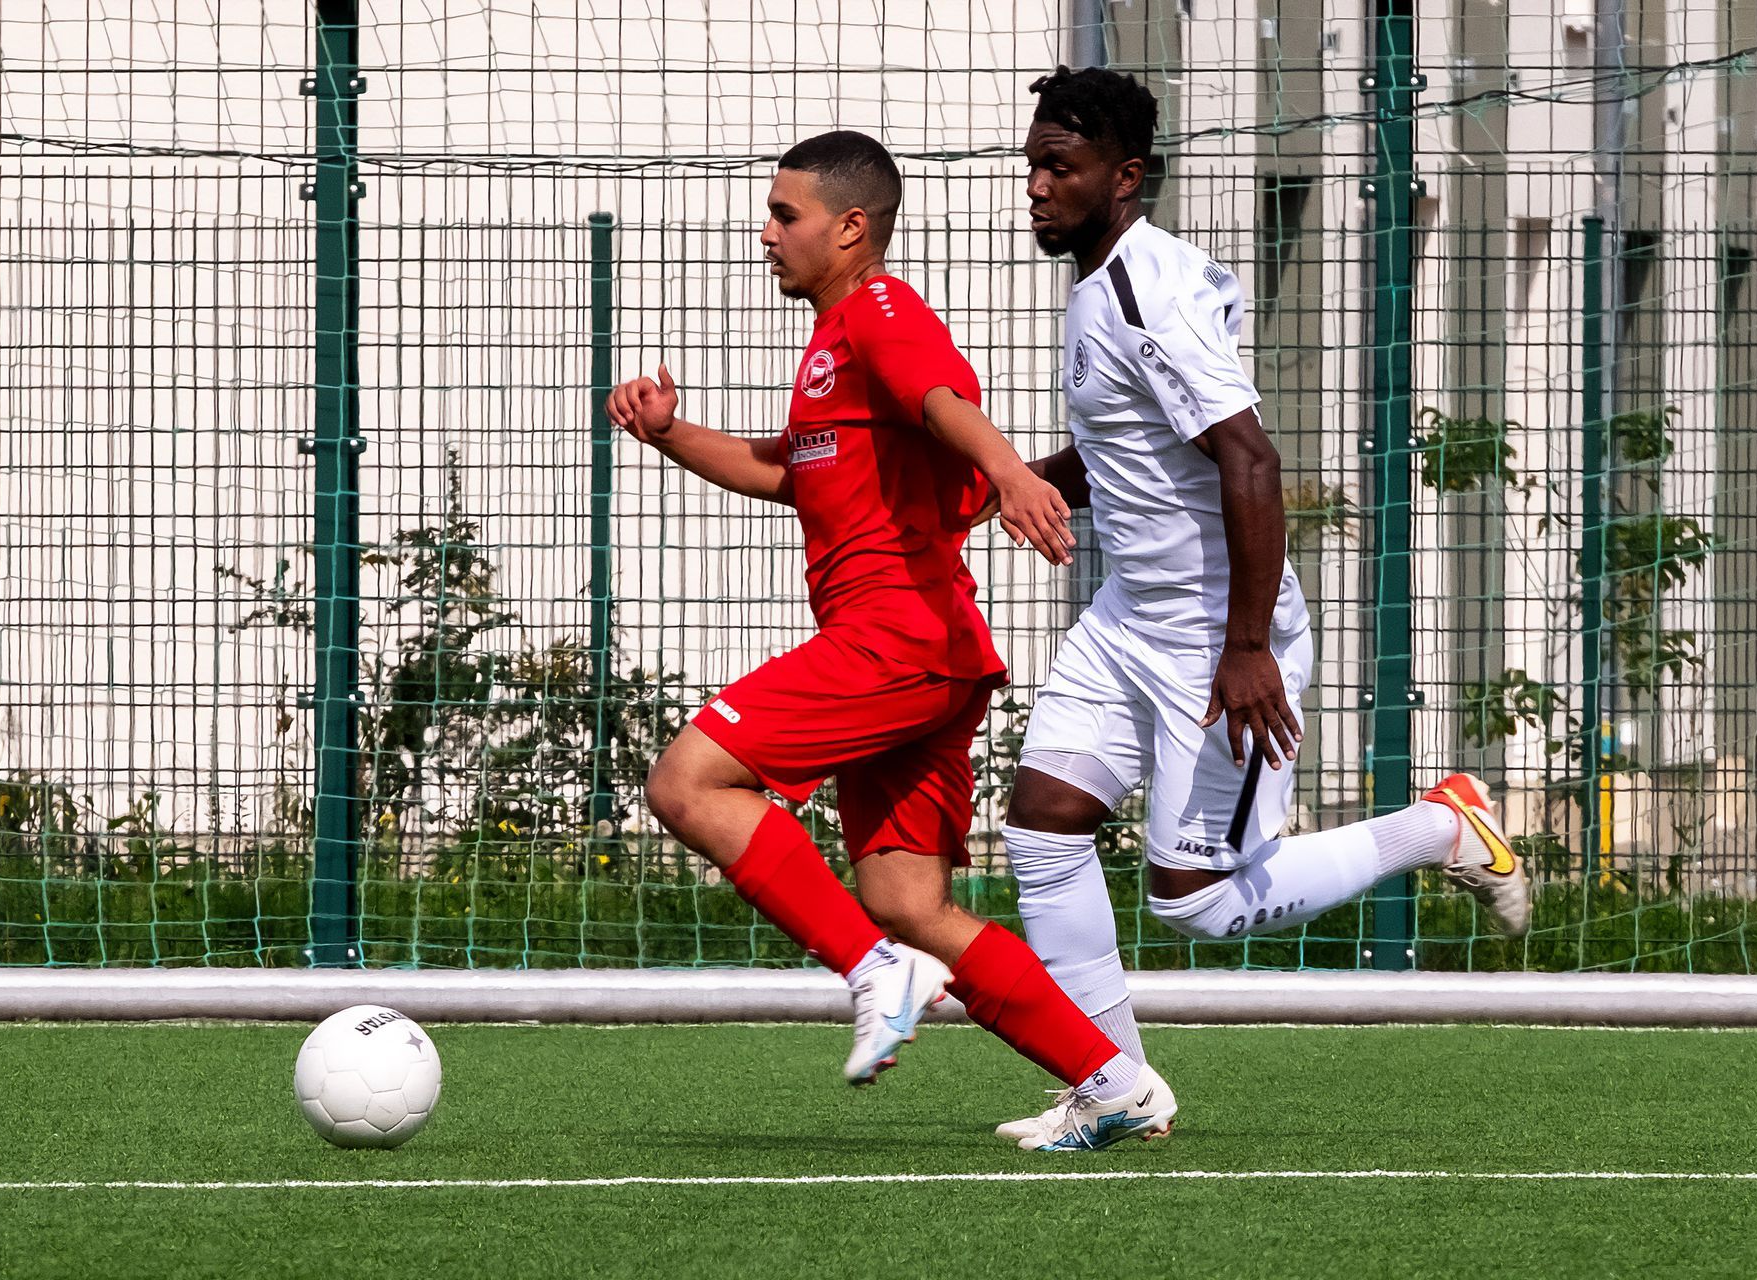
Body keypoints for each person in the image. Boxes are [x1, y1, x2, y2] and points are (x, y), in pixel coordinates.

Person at [991, 66, 1531, 1145]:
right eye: (1033, 164)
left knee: (1192, 900)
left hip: (1215, 636)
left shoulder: (1146, 291)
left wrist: (1247, 648)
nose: (1039, 186)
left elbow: (1250, 459)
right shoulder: (1100, 286)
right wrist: (1013, 480)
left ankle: (1439, 826)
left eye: (1061, 166)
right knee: (1044, 827)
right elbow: (1135, 451)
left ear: (1124, 176)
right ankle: (1113, 1086)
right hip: (1127, 618)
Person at [609, 128, 1173, 1151]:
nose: (766, 232)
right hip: (927, 653)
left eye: (785, 214)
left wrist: (1010, 473)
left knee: (687, 783)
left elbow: (941, 397)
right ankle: (1114, 1080)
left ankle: (874, 971)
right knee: (906, 899)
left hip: (895, 640)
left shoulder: (879, 311)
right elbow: (786, 470)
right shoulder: (830, 346)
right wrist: (669, 432)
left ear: (850, 227)